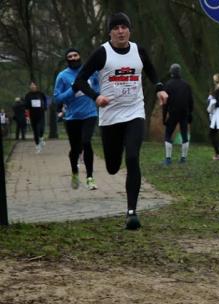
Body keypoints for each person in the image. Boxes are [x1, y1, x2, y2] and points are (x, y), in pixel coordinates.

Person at [73, 12, 168, 230]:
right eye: (116, 28)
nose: (120, 31)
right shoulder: (102, 53)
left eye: (124, 27)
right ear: (110, 32)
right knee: (113, 166)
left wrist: (159, 88)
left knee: (133, 157)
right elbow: (79, 81)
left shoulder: (138, 50)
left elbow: (151, 70)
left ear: (129, 30)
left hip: (134, 112)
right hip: (110, 117)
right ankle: (113, 164)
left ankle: (131, 212)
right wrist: (96, 96)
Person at [54, 48, 100, 190]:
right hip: (72, 117)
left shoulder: (91, 72)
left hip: (90, 114)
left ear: (80, 57)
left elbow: (98, 87)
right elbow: (57, 98)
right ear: (67, 60)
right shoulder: (62, 76)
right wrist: (73, 89)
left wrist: (95, 93)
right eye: (70, 56)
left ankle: (90, 177)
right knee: (75, 149)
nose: (73, 58)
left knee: (86, 142)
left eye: (75, 55)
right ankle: (74, 172)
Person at [162, 63, 193, 165]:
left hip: (173, 113)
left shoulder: (168, 85)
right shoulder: (186, 85)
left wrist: (164, 117)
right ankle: (183, 158)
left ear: (171, 72)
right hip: (184, 113)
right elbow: (191, 101)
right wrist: (190, 114)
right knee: (184, 135)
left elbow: (165, 103)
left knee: (168, 135)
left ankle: (168, 159)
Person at [24, 81, 47, 153]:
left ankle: (41, 138)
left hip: (41, 114)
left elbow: (45, 101)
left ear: (36, 86)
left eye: (34, 85)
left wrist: (45, 107)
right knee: (35, 131)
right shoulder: (28, 95)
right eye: (31, 85)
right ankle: (37, 146)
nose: (32, 86)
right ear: (29, 87)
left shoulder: (41, 94)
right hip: (33, 115)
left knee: (41, 129)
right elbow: (26, 106)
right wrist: (27, 116)